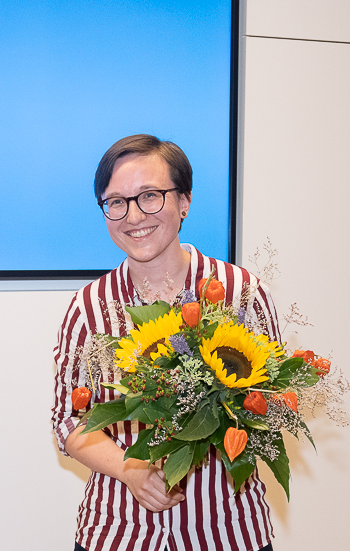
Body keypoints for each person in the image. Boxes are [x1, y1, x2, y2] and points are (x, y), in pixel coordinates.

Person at [51, 134, 279, 551]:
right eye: (116, 202)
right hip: (119, 531)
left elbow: (271, 402)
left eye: (150, 196)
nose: (133, 215)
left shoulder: (240, 292)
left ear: (184, 200)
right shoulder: (89, 307)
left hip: (226, 530)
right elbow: (68, 420)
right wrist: (131, 470)